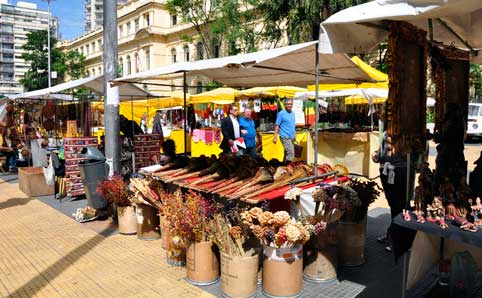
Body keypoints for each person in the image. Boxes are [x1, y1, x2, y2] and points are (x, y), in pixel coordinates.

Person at [273, 99, 296, 163]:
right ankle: (288, 167)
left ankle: (283, 166)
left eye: (291, 104)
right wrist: (275, 137)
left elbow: (293, 125)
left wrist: (295, 135)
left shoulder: (293, 113)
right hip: (285, 136)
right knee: (291, 153)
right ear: (285, 105)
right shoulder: (281, 113)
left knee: (287, 153)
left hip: (291, 137)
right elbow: (277, 125)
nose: (289, 105)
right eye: (288, 104)